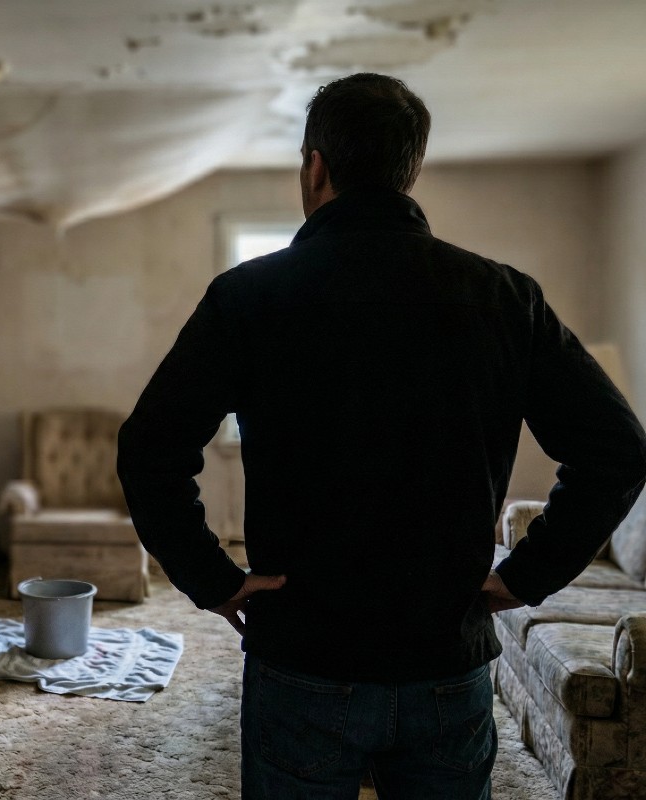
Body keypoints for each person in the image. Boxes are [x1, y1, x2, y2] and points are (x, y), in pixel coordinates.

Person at [116, 72, 646, 800]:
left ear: (315, 167)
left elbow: (149, 450)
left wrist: (212, 578)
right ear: (411, 170)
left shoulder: (250, 296)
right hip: (444, 659)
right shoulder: (502, 296)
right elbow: (617, 451)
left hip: (302, 653)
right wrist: (522, 577)